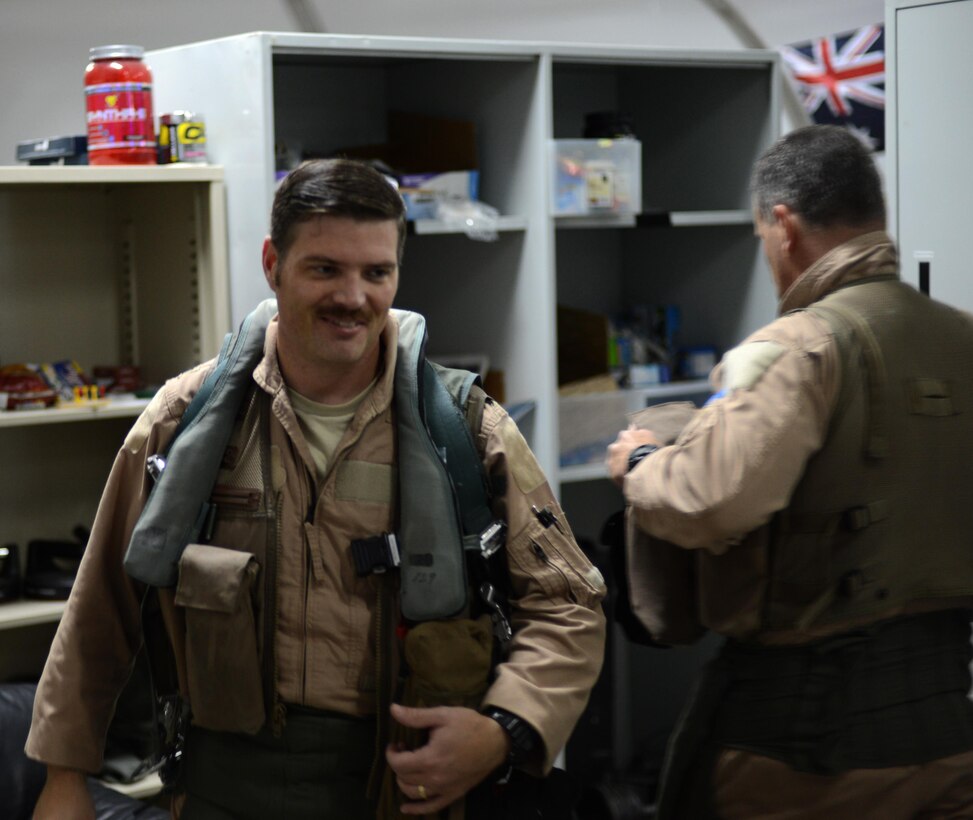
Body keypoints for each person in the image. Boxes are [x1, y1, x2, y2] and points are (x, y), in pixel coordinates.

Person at [27, 158, 606, 819]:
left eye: (376, 272)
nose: (353, 296)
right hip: (224, 786)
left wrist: (504, 730)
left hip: (404, 788)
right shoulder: (184, 419)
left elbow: (569, 604)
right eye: (325, 268)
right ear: (274, 263)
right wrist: (64, 777)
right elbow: (100, 607)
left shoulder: (468, 430)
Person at [607, 125, 973, 819]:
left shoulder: (799, 347)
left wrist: (641, 465)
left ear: (781, 226)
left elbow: (704, 501)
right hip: (948, 728)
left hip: (801, 741)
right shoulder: (961, 334)